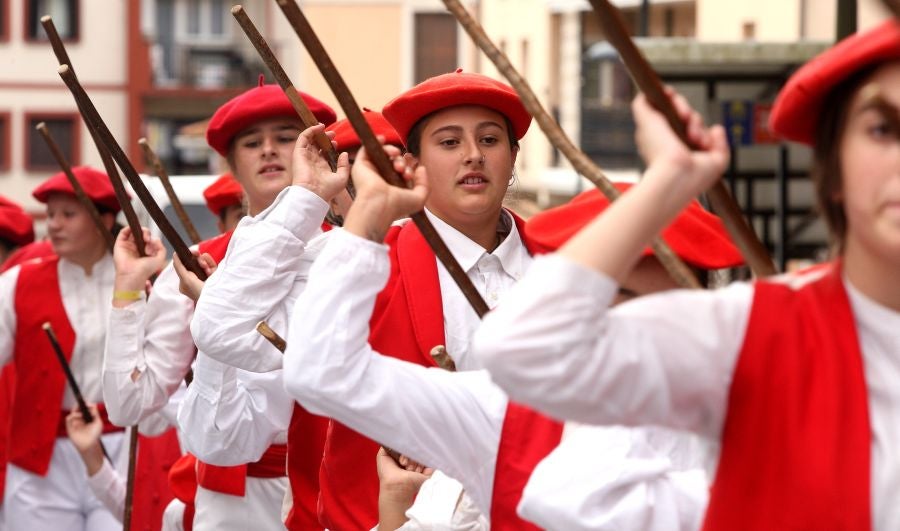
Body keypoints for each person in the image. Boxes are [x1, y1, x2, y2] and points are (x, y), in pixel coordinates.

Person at [472, 18, 900, 530]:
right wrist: (670, 179)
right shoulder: (754, 331)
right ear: (833, 171)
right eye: (883, 129)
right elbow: (522, 349)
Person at [285, 132, 738, 528]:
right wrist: (368, 216)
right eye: (609, 305)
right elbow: (322, 372)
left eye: (664, 307)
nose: (636, 330)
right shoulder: (504, 413)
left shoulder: (745, 430)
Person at [102, 79, 337, 530]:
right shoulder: (192, 264)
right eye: (252, 143)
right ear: (230, 165)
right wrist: (129, 288)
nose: (269, 150)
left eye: (286, 137)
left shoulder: (352, 252)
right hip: (231, 499)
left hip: (335, 483)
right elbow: (130, 403)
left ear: (316, 149)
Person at [182, 110, 399, 528]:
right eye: (357, 177)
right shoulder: (309, 270)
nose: (268, 152)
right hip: (306, 507)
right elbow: (216, 435)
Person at [0, 167, 125, 529]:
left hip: (117, 446)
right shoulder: (18, 282)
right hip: (39, 455)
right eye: (50, 214)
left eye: (68, 214)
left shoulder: (138, 282)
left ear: (104, 219)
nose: (53, 225)